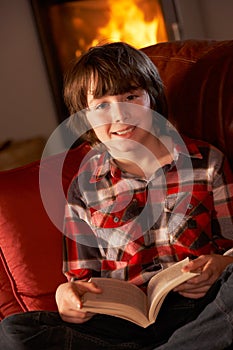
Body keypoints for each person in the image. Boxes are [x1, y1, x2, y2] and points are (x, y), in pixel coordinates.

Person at [1, 41, 233, 350]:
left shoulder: (206, 162)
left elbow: (230, 251)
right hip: (125, 324)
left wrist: (217, 264)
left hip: (201, 309)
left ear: (153, 99)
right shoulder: (85, 186)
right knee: (15, 330)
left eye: (131, 97)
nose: (121, 114)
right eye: (101, 105)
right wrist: (67, 297)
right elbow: (81, 279)